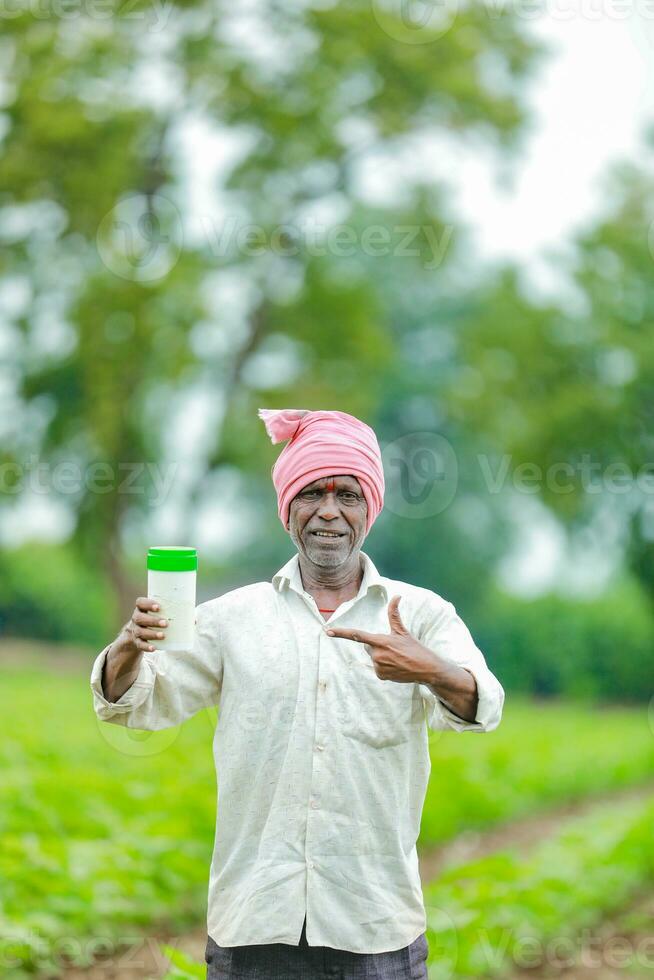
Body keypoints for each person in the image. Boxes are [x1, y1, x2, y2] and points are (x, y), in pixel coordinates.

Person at [90, 407, 505, 980]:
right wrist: (131, 646)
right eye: (311, 493)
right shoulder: (233, 618)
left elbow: (484, 705)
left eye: (348, 495)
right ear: (288, 508)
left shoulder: (421, 615)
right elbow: (136, 703)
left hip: (374, 924)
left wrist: (430, 668)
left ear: (370, 510)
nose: (328, 511)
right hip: (254, 923)